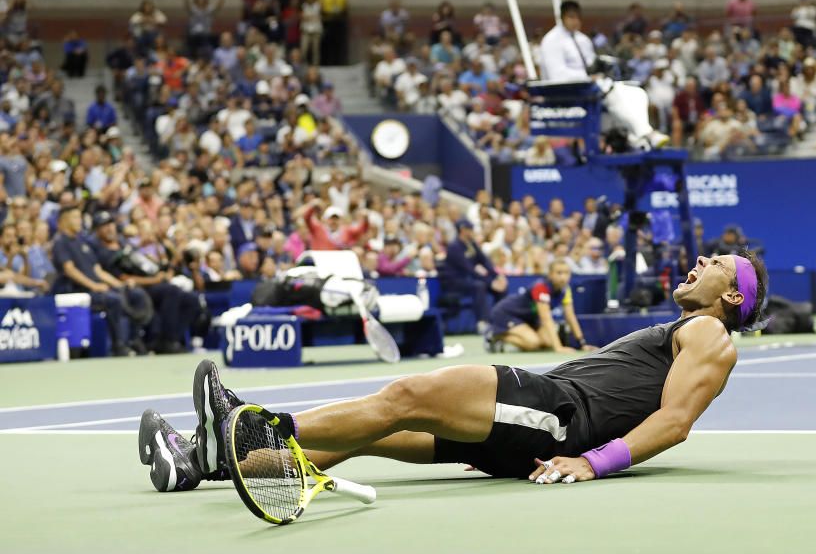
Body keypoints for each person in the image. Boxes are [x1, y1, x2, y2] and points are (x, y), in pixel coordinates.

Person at [138, 250, 767, 492]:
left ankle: (247, 428)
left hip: (557, 414)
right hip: (537, 425)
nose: (699, 262)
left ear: (732, 296)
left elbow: (677, 420)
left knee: (407, 392)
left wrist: (591, 461)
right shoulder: (690, 328)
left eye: (715, 263)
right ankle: (201, 462)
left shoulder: (710, 331)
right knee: (369, 436)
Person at [538, 0, 669, 151]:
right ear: (562, 18)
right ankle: (647, 135)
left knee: (637, 92)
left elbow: (591, 64)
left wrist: (602, 68)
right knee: (614, 94)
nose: (575, 21)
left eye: (578, 18)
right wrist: (587, 77)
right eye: (571, 17)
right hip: (565, 93)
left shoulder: (583, 40)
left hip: (590, 87)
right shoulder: (551, 41)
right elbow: (557, 75)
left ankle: (639, 138)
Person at [90, 210, 200, 355]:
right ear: (97, 230)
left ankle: (171, 339)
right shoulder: (100, 251)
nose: (109, 228)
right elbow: (124, 278)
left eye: (110, 223)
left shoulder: (123, 243)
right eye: (104, 226)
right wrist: (154, 279)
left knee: (191, 299)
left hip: (152, 281)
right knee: (171, 291)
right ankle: (166, 341)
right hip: (136, 288)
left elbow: (145, 263)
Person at [51, 206, 144, 356]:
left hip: (92, 289)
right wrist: (94, 286)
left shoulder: (82, 242)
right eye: (75, 217)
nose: (79, 221)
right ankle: (119, 346)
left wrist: (120, 285)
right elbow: (70, 270)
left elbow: (98, 271)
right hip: (76, 291)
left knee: (130, 294)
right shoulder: (61, 242)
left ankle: (134, 341)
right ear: (64, 221)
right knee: (114, 300)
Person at [485, 259, 589, 354]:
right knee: (533, 343)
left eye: (566, 273)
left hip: (530, 318)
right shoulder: (541, 287)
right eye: (559, 273)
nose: (563, 277)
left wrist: (582, 344)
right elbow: (546, 319)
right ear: (550, 274)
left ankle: (518, 337)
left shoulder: (566, 290)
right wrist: (558, 347)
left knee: (547, 342)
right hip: (507, 313)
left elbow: (570, 317)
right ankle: (495, 336)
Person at [439, 218, 507, 334]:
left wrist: (497, 277)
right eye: (469, 229)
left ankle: (499, 320)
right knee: (479, 286)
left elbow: (485, 261)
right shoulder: (454, 247)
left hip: (469, 280)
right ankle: (482, 323)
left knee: (501, 288)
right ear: (462, 230)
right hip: (455, 283)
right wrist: (490, 282)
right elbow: (468, 268)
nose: (472, 232)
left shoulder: (472, 244)